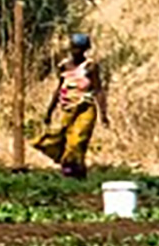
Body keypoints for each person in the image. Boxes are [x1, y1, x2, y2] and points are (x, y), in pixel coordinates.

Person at [35, 33, 108, 179]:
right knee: (61, 138)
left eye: (79, 49)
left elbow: (98, 90)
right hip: (68, 108)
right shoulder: (64, 66)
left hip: (85, 108)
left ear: (85, 50)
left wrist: (103, 114)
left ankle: (75, 172)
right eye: (74, 48)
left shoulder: (90, 67)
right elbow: (59, 88)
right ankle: (72, 171)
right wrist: (49, 111)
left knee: (78, 139)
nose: (76, 52)